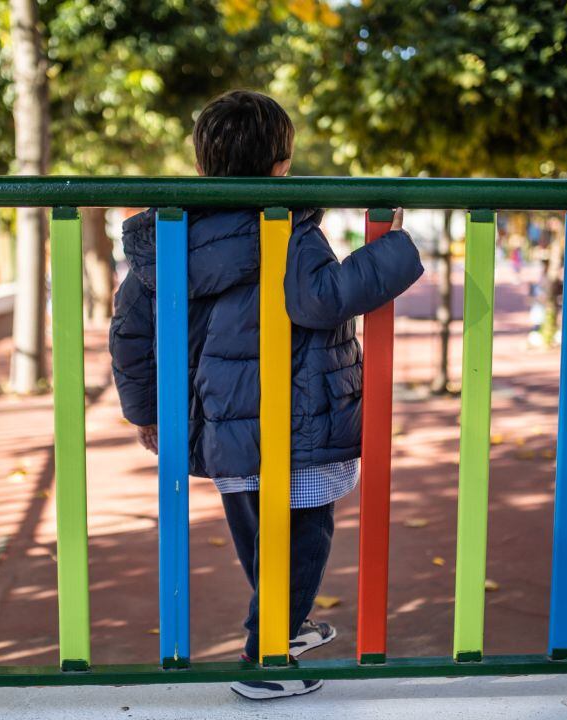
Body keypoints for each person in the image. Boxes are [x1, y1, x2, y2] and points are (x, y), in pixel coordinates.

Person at [109, 90, 423, 701]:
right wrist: (394, 251)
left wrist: (147, 412)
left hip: (223, 424)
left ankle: (282, 627)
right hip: (297, 418)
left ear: (203, 165)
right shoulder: (285, 224)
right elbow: (320, 299)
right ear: (282, 164)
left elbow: (131, 331)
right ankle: (266, 654)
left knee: (256, 531)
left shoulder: (172, 239)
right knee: (306, 534)